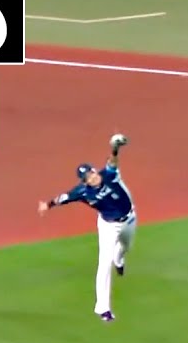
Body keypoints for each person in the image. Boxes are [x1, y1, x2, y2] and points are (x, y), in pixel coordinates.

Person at [37, 134, 136, 323]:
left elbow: (112, 162)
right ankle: (103, 308)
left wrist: (115, 148)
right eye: (88, 177)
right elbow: (63, 198)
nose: (92, 177)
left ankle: (119, 258)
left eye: (92, 173)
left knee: (125, 247)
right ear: (84, 181)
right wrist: (47, 205)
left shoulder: (109, 175)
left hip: (129, 218)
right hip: (108, 225)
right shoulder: (82, 192)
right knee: (104, 263)